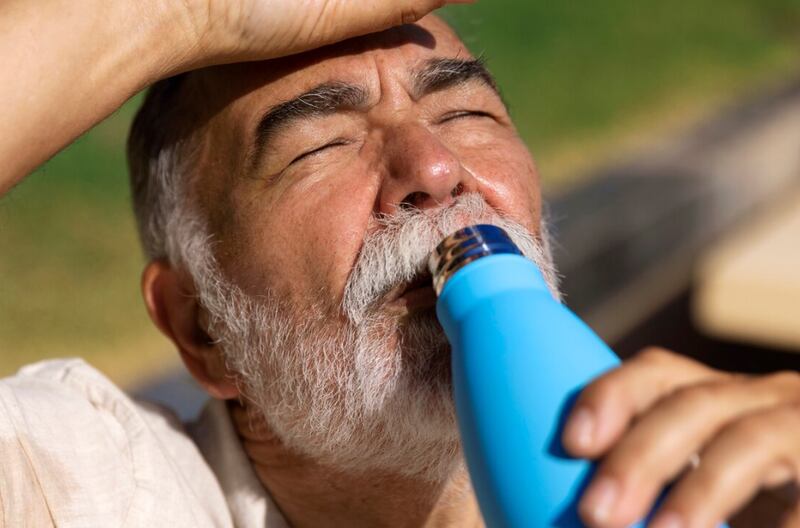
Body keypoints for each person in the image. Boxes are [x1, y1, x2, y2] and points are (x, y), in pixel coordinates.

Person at [1, 1, 798, 526]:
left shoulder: (719, 485)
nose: (435, 167)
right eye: (321, 144)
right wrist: (173, 12)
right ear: (200, 326)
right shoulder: (92, 485)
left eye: (466, 112)